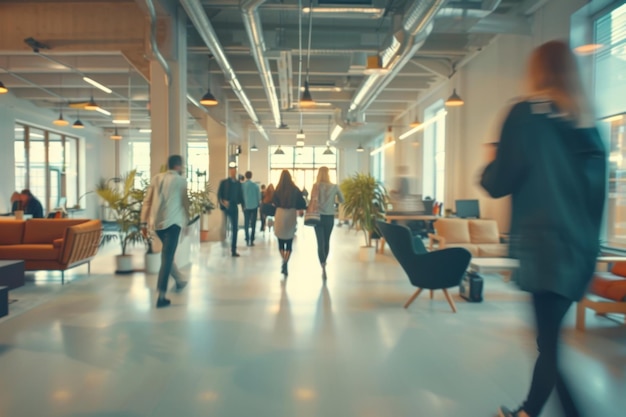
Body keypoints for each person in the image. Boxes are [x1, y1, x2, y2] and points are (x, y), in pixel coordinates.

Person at [480, 40, 606, 417]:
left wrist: (490, 160)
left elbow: (498, 182)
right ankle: (528, 411)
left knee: (548, 345)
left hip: (543, 248)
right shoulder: (589, 127)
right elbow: (597, 200)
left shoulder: (524, 114)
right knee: (549, 342)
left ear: (538, 71)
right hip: (580, 252)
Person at [141, 155, 190, 308]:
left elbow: (147, 201)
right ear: (178, 166)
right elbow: (185, 203)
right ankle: (161, 296)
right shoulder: (181, 181)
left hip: (158, 226)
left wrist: (143, 222)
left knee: (167, 256)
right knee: (167, 258)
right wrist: (187, 222)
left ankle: (180, 281)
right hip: (174, 225)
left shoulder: (156, 178)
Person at [312, 166, 344, 279]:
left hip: (317, 217)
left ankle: (322, 265)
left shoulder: (315, 186)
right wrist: (333, 202)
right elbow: (342, 200)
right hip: (329, 217)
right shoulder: (334, 187)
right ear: (328, 174)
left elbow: (311, 200)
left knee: (320, 242)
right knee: (327, 241)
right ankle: (325, 262)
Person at [273, 170, 306, 277]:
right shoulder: (295, 189)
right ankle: (286, 262)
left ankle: (283, 260)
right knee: (289, 241)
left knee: (280, 240)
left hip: (280, 213)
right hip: (291, 213)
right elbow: (302, 203)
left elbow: (273, 202)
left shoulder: (277, 189)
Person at [218, 166, 244, 257]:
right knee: (224, 226)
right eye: (231, 170)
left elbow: (241, 197)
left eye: (235, 170)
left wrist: (243, 206)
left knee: (235, 229)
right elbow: (219, 195)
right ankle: (223, 243)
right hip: (226, 207)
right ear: (229, 171)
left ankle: (233, 249)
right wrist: (223, 202)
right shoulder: (224, 183)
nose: (233, 172)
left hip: (234, 207)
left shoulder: (238, 184)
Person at [241, 171, 261, 246]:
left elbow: (242, 196)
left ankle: (247, 238)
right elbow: (259, 197)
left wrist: (243, 205)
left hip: (246, 207)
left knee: (246, 223)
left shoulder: (243, 185)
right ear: (251, 176)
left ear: (246, 176)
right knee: (253, 223)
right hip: (254, 206)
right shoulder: (255, 185)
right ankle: (252, 239)